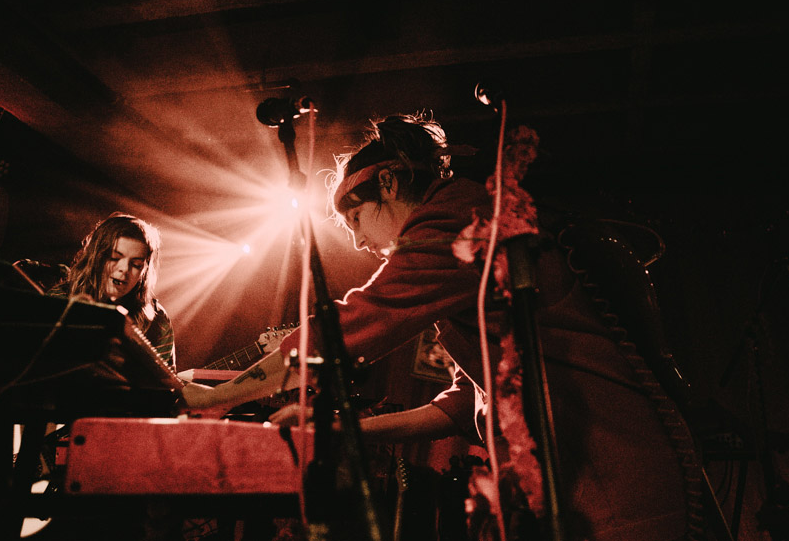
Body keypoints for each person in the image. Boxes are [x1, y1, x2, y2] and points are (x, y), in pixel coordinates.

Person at [183, 114, 694, 541]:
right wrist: (341, 431)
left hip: (613, 480)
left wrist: (211, 398)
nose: (359, 242)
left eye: (356, 219)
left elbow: (354, 325)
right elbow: (459, 406)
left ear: (387, 183)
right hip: (591, 481)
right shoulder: (466, 236)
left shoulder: (459, 223)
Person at [50, 211, 175, 369]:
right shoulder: (57, 300)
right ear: (96, 257)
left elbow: (164, 390)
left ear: (145, 271)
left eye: (136, 264)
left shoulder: (158, 322)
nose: (124, 269)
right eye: (115, 258)